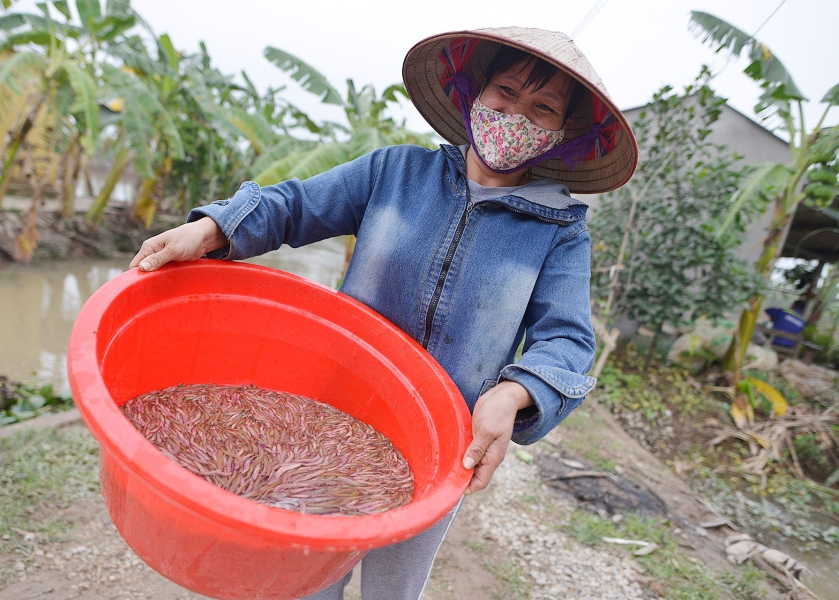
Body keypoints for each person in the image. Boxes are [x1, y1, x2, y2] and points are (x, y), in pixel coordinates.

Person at [129, 26, 638, 600]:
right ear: (473, 92)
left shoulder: (559, 235)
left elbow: (567, 342)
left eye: (542, 108)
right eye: (505, 91)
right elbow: (295, 205)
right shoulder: (395, 173)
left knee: (394, 587)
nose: (516, 113)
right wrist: (214, 226)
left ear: (562, 134)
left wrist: (514, 392)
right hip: (334, 415)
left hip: (441, 444)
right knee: (310, 569)